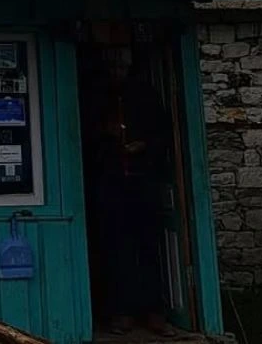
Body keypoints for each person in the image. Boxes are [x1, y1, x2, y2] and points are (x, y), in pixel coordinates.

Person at [92, 60, 178, 338]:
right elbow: (85, 137)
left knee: (149, 248)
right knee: (117, 250)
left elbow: (163, 133)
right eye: (112, 62)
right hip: (112, 183)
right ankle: (122, 312)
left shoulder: (145, 95)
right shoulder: (98, 96)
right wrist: (107, 136)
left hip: (143, 181)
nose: (117, 68)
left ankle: (155, 312)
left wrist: (144, 146)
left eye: (121, 61)